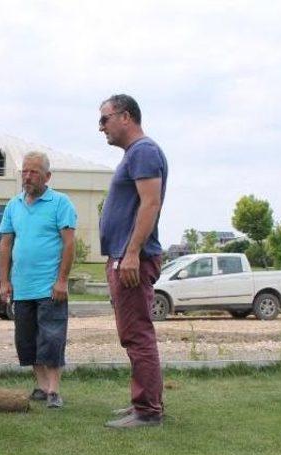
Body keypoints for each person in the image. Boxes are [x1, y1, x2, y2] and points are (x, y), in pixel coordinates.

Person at [98, 94, 168, 429]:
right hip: (123, 258)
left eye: (105, 119)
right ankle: (144, 404)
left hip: (132, 261)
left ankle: (147, 411)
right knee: (133, 333)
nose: (101, 128)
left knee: (137, 334)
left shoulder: (143, 151)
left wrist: (131, 252)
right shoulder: (135, 154)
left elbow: (150, 204)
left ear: (125, 117)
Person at [0, 151, 76, 408]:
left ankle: (54, 391)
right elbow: (6, 245)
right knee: (27, 341)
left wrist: (62, 281)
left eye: (34, 172)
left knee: (51, 339)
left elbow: (68, 244)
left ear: (47, 176)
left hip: (50, 288)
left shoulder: (61, 203)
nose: (28, 177)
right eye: (25, 172)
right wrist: (4, 282)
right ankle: (41, 387)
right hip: (22, 288)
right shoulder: (13, 205)